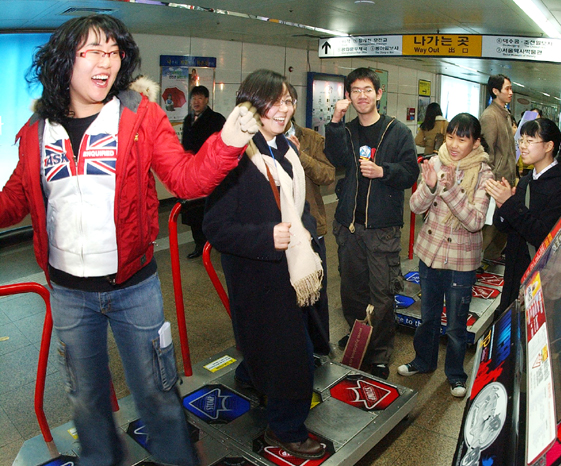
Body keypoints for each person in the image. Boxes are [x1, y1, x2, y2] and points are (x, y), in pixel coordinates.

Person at [0, 15, 258, 466]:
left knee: (158, 394)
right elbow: (14, 200)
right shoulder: (36, 132)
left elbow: (186, 178)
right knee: (86, 401)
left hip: (134, 287)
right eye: (93, 51)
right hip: (68, 294)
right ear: (64, 61)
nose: (107, 61)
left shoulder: (140, 116)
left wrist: (228, 141)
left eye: (114, 52)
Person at [203, 69, 325, 460]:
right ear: (251, 103)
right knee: (295, 357)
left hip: (290, 271)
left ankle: (252, 376)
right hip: (257, 274)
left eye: (288, 101)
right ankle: (285, 428)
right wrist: (266, 237)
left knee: (271, 345)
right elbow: (215, 227)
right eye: (274, 101)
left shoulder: (285, 149)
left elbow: (297, 206)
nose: (283, 108)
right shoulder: (233, 153)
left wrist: (304, 231)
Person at [325, 67, 419, 379]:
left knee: (381, 294)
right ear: (348, 97)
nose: (361, 96)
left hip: (382, 229)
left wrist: (384, 172)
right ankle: (357, 338)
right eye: (355, 91)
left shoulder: (398, 132)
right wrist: (335, 122)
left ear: (378, 94)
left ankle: (379, 352)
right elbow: (337, 159)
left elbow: (410, 173)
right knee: (352, 291)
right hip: (349, 226)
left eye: (367, 90)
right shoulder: (347, 130)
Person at [397, 113, 493, 397]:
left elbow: (475, 221)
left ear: (475, 142)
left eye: (462, 139)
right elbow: (415, 206)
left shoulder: (484, 174)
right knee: (428, 316)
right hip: (431, 255)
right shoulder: (436, 162)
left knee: (455, 323)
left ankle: (455, 374)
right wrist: (428, 187)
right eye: (450, 136)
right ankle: (423, 361)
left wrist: (450, 190)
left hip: (461, 260)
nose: (453, 144)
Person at [485, 118, 561, 319]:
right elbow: (504, 227)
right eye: (521, 141)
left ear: (549, 146)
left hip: (541, 277)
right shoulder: (526, 182)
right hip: (514, 272)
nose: (523, 147)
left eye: (529, 141)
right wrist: (502, 205)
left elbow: (543, 236)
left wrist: (510, 204)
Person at [286, 83, 335, 355]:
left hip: (311, 226)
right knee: (285, 295)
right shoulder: (259, 139)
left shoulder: (311, 139)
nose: (283, 108)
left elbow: (328, 176)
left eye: (288, 101)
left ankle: (319, 348)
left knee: (315, 291)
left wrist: (300, 156)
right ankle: (292, 350)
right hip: (280, 230)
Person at [180, 85, 226, 259]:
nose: (196, 102)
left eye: (200, 98)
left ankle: (216, 240)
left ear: (207, 100)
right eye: (193, 98)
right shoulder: (187, 119)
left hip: (212, 172)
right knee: (194, 212)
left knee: (213, 209)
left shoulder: (216, 119)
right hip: (192, 172)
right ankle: (199, 243)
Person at [480, 74, 516, 262]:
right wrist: (490, 179)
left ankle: (493, 254)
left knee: (502, 221)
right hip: (496, 179)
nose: (511, 92)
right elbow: (488, 151)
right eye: (507, 88)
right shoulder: (490, 116)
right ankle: (477, 258)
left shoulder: (505, 114)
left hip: (507, 177)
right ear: (495, 91)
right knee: (490, 222)